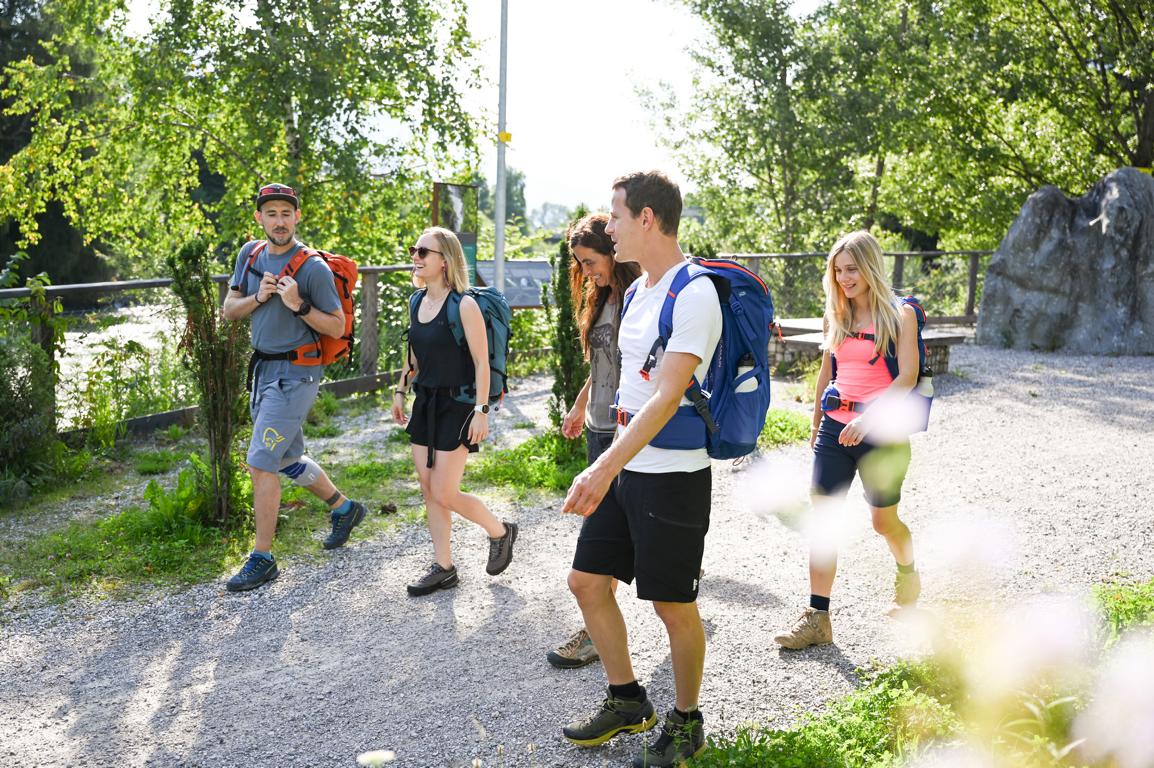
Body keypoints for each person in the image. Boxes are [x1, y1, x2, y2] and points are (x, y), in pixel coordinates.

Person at [561, 171, 720, 768]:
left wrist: (602, 466)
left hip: (672, 474)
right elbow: (629, 384)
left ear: (647, 219)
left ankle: (686, 722)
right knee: (586, 581)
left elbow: (668, 395)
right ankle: (629, 700)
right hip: (627, 465)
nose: (610, 227)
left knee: (671, 604)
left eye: (617, 216)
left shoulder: (695, 293)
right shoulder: (638, 291)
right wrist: (608, 457)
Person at [773, 229, 922, 650]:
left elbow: (907, 376)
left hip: (883, 433)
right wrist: (818, 420)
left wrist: (870, 419)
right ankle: (818, 617)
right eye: (838, 270)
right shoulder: (835, 315)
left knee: (883, 522)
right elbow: (829, 373)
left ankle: (908, 573)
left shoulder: (899, 315)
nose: (844, 278)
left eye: (852, 269)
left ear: (870, 267)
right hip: (836, 430)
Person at [221, 182, 368, 592]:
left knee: (260, 461)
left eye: (286, 213)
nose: (279, 221)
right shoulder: (249, 256)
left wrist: (299, 304)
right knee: (285, 457)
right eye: (272, 214)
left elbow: (338, 327)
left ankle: (262, 557)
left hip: (296, 374)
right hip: (262, 374)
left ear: (297, 216)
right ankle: (344, 508)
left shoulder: (312, 268)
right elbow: (230, 310)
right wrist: (260, 297)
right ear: (259, 218)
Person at [391, 226, 517, 597]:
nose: (415, 256)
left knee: (445, 491)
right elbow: (413, 353)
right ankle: (444, 566)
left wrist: (482, 411)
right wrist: (400, 390)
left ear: (444, 260)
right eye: (414, 250)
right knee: (429, 489)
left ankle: (500, 531)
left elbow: (480, 363)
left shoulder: (464, 305)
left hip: (459, 404)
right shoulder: (416, 302)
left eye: (423, 252)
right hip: (425, 401)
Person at [547, 213, 640, 670]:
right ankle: (595, 622)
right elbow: (602, 364)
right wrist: (582, 404)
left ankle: (595, 623)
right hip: (600, 429)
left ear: (614, 253)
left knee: (611, 531)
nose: (587, 272)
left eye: (591, 261)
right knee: (602, 530)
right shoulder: (602, 300)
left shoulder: (637, 300)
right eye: (580, 264)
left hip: (629, 433)